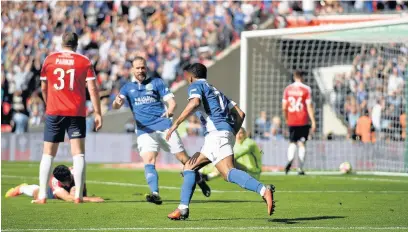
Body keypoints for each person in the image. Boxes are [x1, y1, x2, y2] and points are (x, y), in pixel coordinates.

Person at [165, 63, 275, 220]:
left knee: (226, 172)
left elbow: (194, 103)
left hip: (216, 134)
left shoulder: (196, 85)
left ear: (190, 76)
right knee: (191, 167)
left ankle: (263, 190)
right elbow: (241, 114)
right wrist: (231, 134)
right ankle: (182, 208)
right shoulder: (216, 91)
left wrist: (176, 123)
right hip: (221, 134)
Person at [112, 57, 210, 205]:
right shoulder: (127, 88)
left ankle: (199, 179)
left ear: (146, 68)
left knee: (184, 159)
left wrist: (170, 111)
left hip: (165, 127)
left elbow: (172, 102)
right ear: (132, 70)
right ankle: (155, 193)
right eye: (137, 68)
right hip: (144, 131)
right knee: (149, 160)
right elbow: (116, 106)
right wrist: (116, 103)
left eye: (142, 67)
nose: (140, 70)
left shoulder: (156, 83)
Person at [34, 32, 102, 204]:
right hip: (76, 112)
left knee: (48, 154)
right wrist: (98, 112)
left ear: (61, 42)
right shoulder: (84, 61)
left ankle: (42, 195)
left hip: (54, 111)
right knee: (78, 154)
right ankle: (78, 195)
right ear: (76, 44)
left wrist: (48, 102)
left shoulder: (49, 59)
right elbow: (93, 89)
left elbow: (43, 87)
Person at [5, 165, 104, 203]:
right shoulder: (55, 184)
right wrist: (91, 199)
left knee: (75, 189)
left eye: (69, 178)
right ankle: (21, 188)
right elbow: (69, 198)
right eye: (66, 181)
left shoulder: (75, 172)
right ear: (60, 181)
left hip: (71, 188)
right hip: (52, 193)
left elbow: (82, 185)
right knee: (37, 192)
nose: (68, 182)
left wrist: (84, 195)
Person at [282, 70, 316, 175]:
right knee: (302, 143)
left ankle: (290, 158)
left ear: (294, 76)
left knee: (292, 142)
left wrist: (286, 118)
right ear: (302, 77)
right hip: (303, 120)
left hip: (292, 120)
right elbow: (309, 106)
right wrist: (313, 121)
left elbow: (284, 107)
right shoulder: (306, 89)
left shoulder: (287, 89)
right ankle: (300, 168)